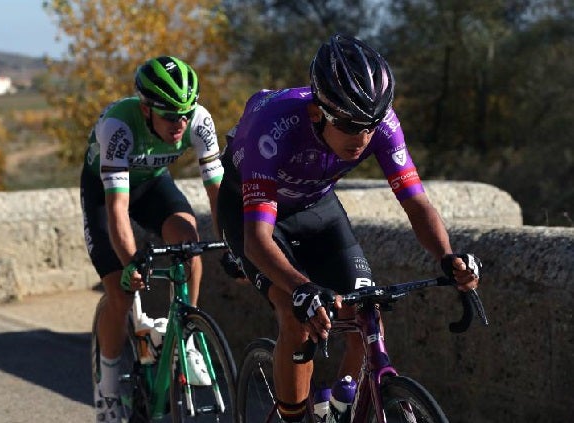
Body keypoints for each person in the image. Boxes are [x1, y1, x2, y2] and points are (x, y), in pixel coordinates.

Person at [216, 34, 482, 423]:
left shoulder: (381, 124)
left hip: (316, 205)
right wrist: (302, 288)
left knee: (365, 312)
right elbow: (256, 242)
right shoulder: (274, 129)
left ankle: (341, 410)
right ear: (317, 113)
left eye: (370, 127)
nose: (361, 139)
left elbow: (416, 202)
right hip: (252, 212)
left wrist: (447, 256)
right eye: (349, 126)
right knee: (295, 315)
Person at [80, 56, 224, 422]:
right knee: (120, 291)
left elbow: (217, 193)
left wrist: (232, 246)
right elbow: (117, 209)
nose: (181, 124)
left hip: (153, 184)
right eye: (171, 116)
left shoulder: (199, 120)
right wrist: (130, 263)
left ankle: (185, 334)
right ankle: (108, 388)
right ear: (146, 109)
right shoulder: (119, 126)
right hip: (107, 191)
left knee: (190, 243)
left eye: (186, 114)